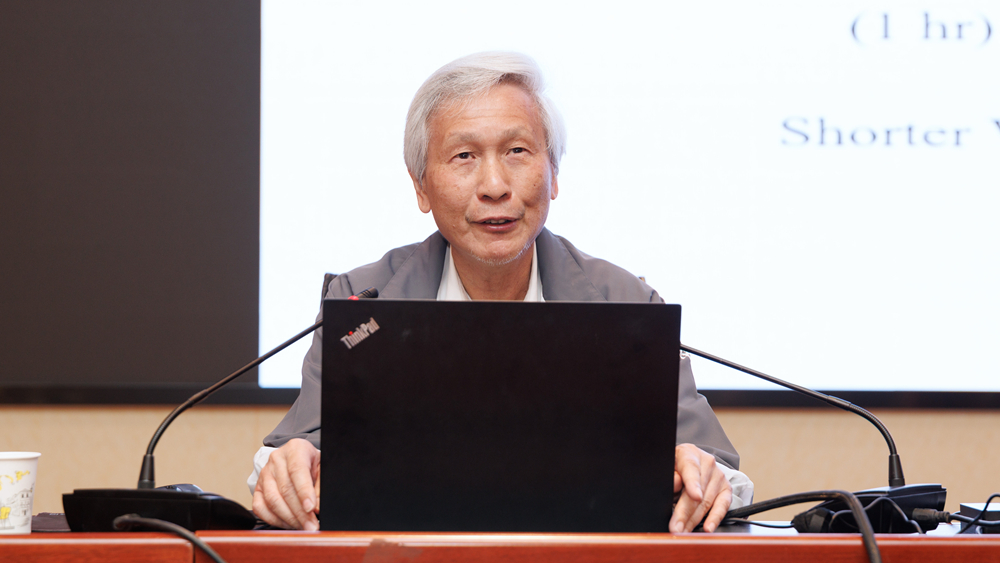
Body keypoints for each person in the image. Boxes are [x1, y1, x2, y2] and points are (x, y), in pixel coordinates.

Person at [249, 51, 753, 534]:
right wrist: (289, 466)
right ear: (421, 186)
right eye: (464, 156)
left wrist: (701, 473)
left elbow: (722, 470)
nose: (494, 185)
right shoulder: (363, 301)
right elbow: (290, 453)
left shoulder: (625, 302)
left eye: (517, 151)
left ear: (553, 175)